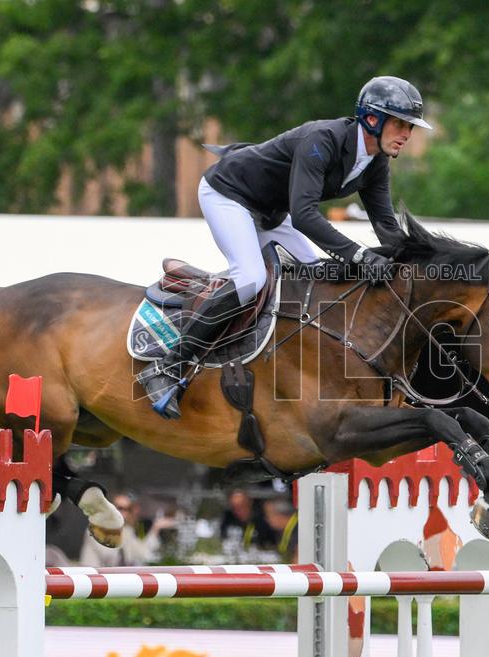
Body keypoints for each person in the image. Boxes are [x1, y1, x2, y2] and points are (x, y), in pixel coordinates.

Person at [138, 76, 433, 418]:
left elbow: (385, 225)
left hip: (272, 212)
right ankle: (167, 365)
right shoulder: (322, 140)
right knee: (251, 278)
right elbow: (305, 215)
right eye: (400, 124)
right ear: (372, 118)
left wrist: (417, 265)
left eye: (410, 127)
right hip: (229, 195)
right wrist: (358, 255)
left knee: (316, 277)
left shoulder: (375, 161)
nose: (407, 134)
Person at [79, 492, 175, 567]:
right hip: (93, 580)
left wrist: (155, 529)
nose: (123, 513)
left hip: (112, 580)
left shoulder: (127, 530)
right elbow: (112, 558)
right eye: (119, 508)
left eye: (129, 509)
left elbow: (142, 556)